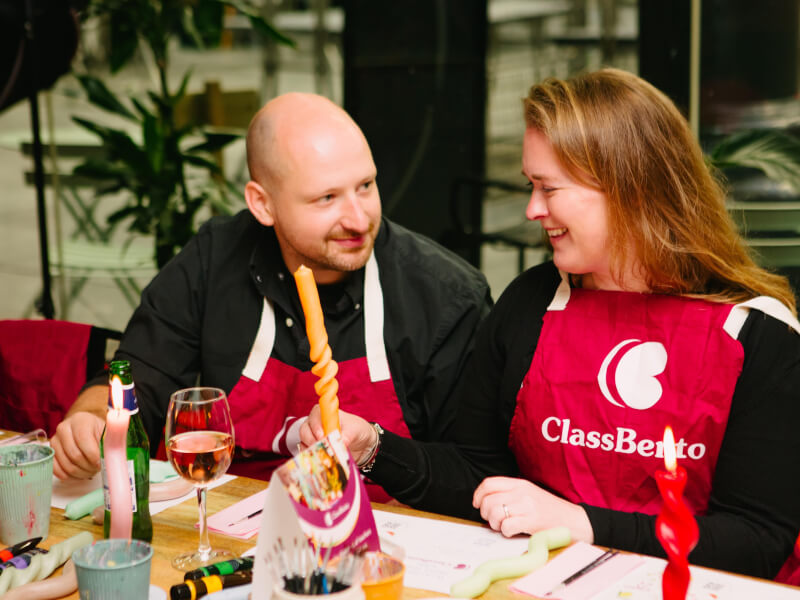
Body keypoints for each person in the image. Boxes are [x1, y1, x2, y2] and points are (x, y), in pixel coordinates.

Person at [301, 68, 800, 580]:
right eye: (530, 185)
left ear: (629, 188)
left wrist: (580, 524)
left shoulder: (757, 332)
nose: (532, 209)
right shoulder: (534, 300)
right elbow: (478, 474)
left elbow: (756, 541)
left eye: (549, 188)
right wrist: (374, 449)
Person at [51, 92, 492, 501]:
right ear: (262, 204)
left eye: (366, 186)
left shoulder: (447, 297)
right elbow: (142, 376)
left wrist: (376, 448)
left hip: (387, 538)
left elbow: (470, 472)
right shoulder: (214, 259)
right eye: (326, 198)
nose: (359, 220)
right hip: (225, 525)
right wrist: (91, 419)